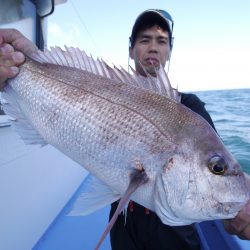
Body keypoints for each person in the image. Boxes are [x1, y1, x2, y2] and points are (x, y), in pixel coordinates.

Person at [0, 8, 250, 250]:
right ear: (131, 50)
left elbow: (218, 166)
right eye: (145, 40)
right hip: (124, 236)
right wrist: (20, 64)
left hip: (175, 242)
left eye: (162, 41)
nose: (153, 47)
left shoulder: (191, 110)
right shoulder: (105, 86)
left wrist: (241, 206)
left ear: (169, 51)